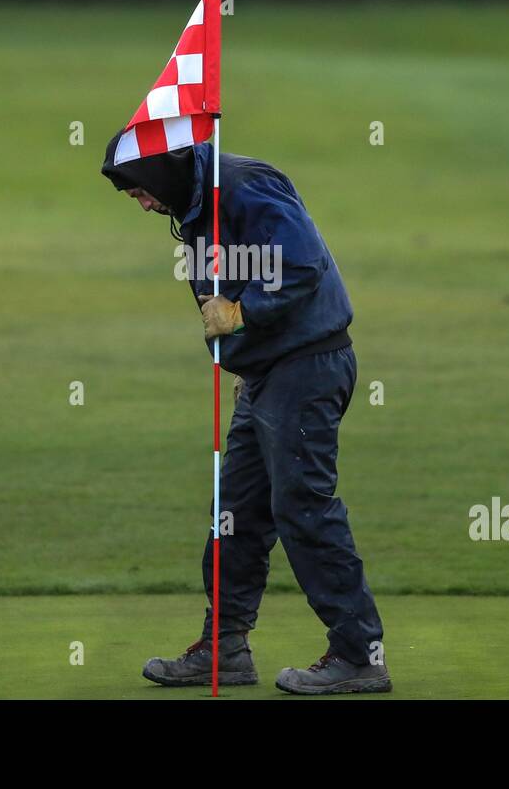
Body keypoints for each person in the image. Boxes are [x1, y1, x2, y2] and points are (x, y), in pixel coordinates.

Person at [101, 129, 390, 695]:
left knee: (303, 509)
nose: (139, 202)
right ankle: (225, 649)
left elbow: (301, 262)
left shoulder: (242, 183)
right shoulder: (195, 205)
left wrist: (243, 313)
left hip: (305, 367)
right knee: (232, 514)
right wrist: (244, 359)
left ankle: (360, 656)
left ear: (161, 170)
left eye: (138, 189)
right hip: (265, 375)